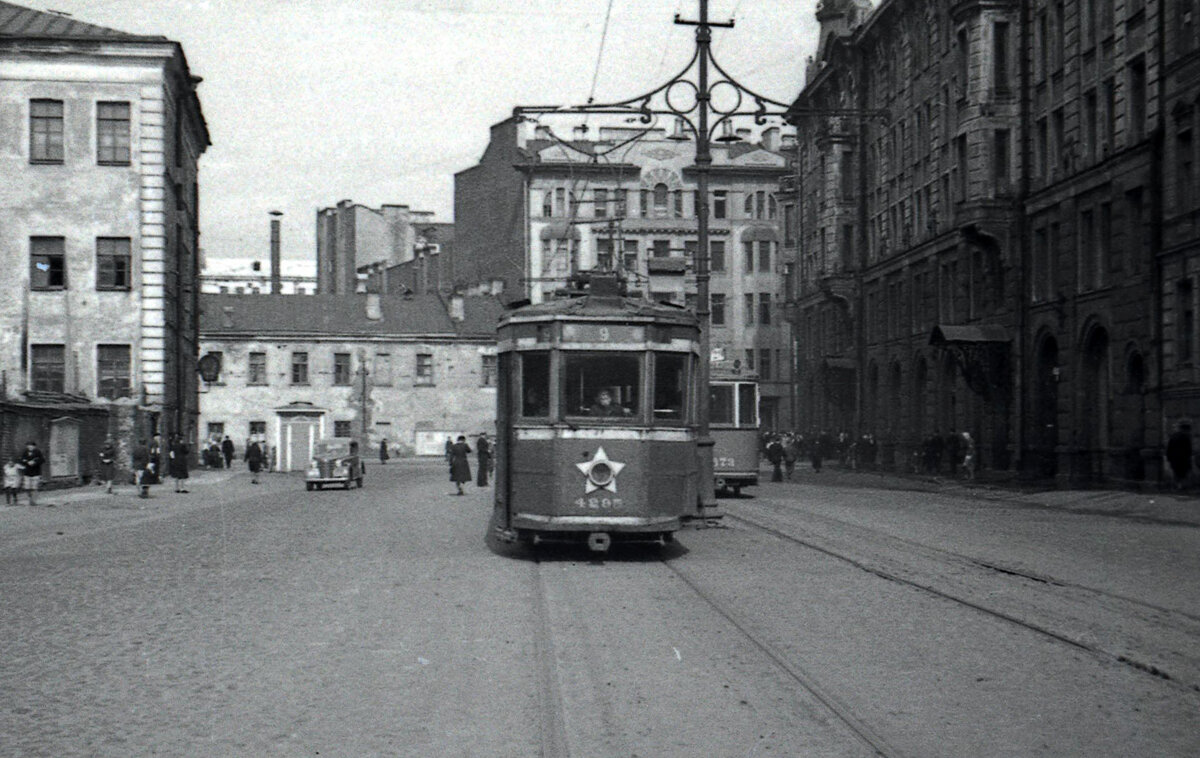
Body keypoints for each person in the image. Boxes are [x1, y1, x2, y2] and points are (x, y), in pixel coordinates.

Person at [1166, 422, 1193, 489]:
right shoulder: (1186, 437)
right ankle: (1182, 487)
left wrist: (1169, 459)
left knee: (1176, 473)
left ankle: (1176, 486)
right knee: (1184, 474)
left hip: (1174, 459)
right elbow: (1189, 450)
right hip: (1184, 459)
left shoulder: (1173, 436)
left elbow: (1169, 448)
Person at [18, 440, 45, 506]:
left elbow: (42, 460)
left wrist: (35, 462)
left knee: (34, 487)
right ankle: (30, 498)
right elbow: (21, 460)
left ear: (34, 446)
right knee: (27, 487)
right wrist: (26, 462)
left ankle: (33, 500)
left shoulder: (38, 452)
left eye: (31, 446)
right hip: (27, 472)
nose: (29, 447)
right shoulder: (25, 452)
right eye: (28, 445)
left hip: (36, 472)